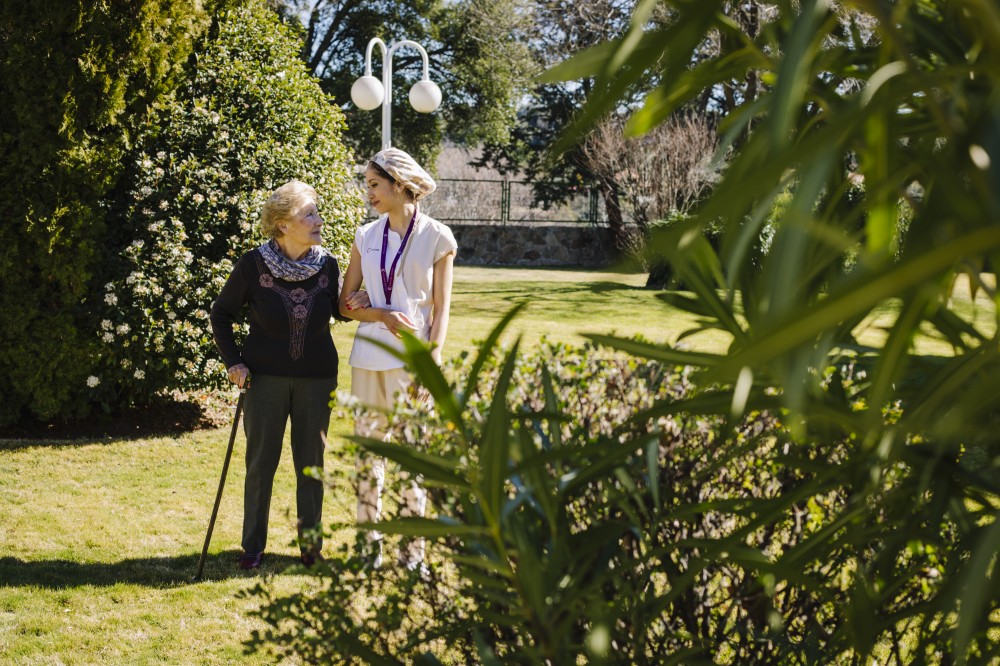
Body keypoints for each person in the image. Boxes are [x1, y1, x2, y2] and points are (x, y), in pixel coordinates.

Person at [210, 179, 364, 570]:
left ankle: (311, 547)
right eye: (309, 214)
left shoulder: (327, 264)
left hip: (317, 379)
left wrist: (357, 301)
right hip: (264, 379)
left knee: (311, 465)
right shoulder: (252, 264)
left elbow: (337, 311)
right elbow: (221, 314)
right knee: (261, 463)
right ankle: (252, 548)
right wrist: (234, 363)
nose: (318, 220)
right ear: (283, 224)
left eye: (316, 212)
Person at [339, 148, 457, 570]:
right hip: (367, 358)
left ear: (399, 184)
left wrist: (433, 361)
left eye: (374, 184)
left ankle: (412, 555)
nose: (367, 193)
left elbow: (441, 309)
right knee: (368, 455)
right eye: (367, 185)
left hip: (413, 361)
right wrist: (380, 314)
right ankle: (369, 547)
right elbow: (343, 304)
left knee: (413, 458)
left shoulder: (438, 237)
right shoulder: (364, 236)